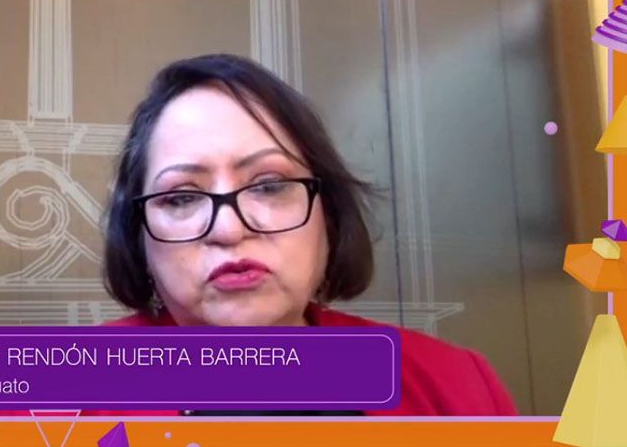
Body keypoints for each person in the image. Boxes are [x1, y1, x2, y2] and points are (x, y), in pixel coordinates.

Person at [94, 53, 517, 417]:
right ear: (138, 237)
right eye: (182, 197)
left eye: (269, 186)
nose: (229, 229)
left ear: (327, 214)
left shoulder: (459, 386)